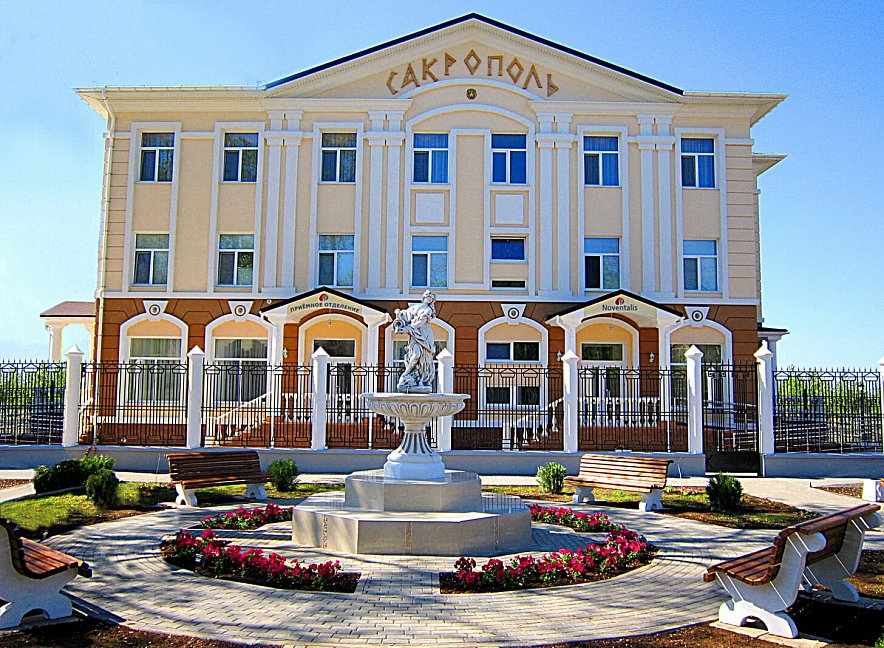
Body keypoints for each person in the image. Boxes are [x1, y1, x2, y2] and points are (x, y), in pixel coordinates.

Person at [393, 290, 437, 392]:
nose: (429, 298)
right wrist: (399, 315)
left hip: (424, 334)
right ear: (424, 297)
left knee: (424, 358)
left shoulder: (428, 310)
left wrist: (407, 329)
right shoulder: (415, 307)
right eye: (428, 296)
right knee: (415, 355)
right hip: (414, 335)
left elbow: (419, 323)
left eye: (431, 297)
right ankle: (407, 374)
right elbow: (406, 316)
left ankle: (422, 379)